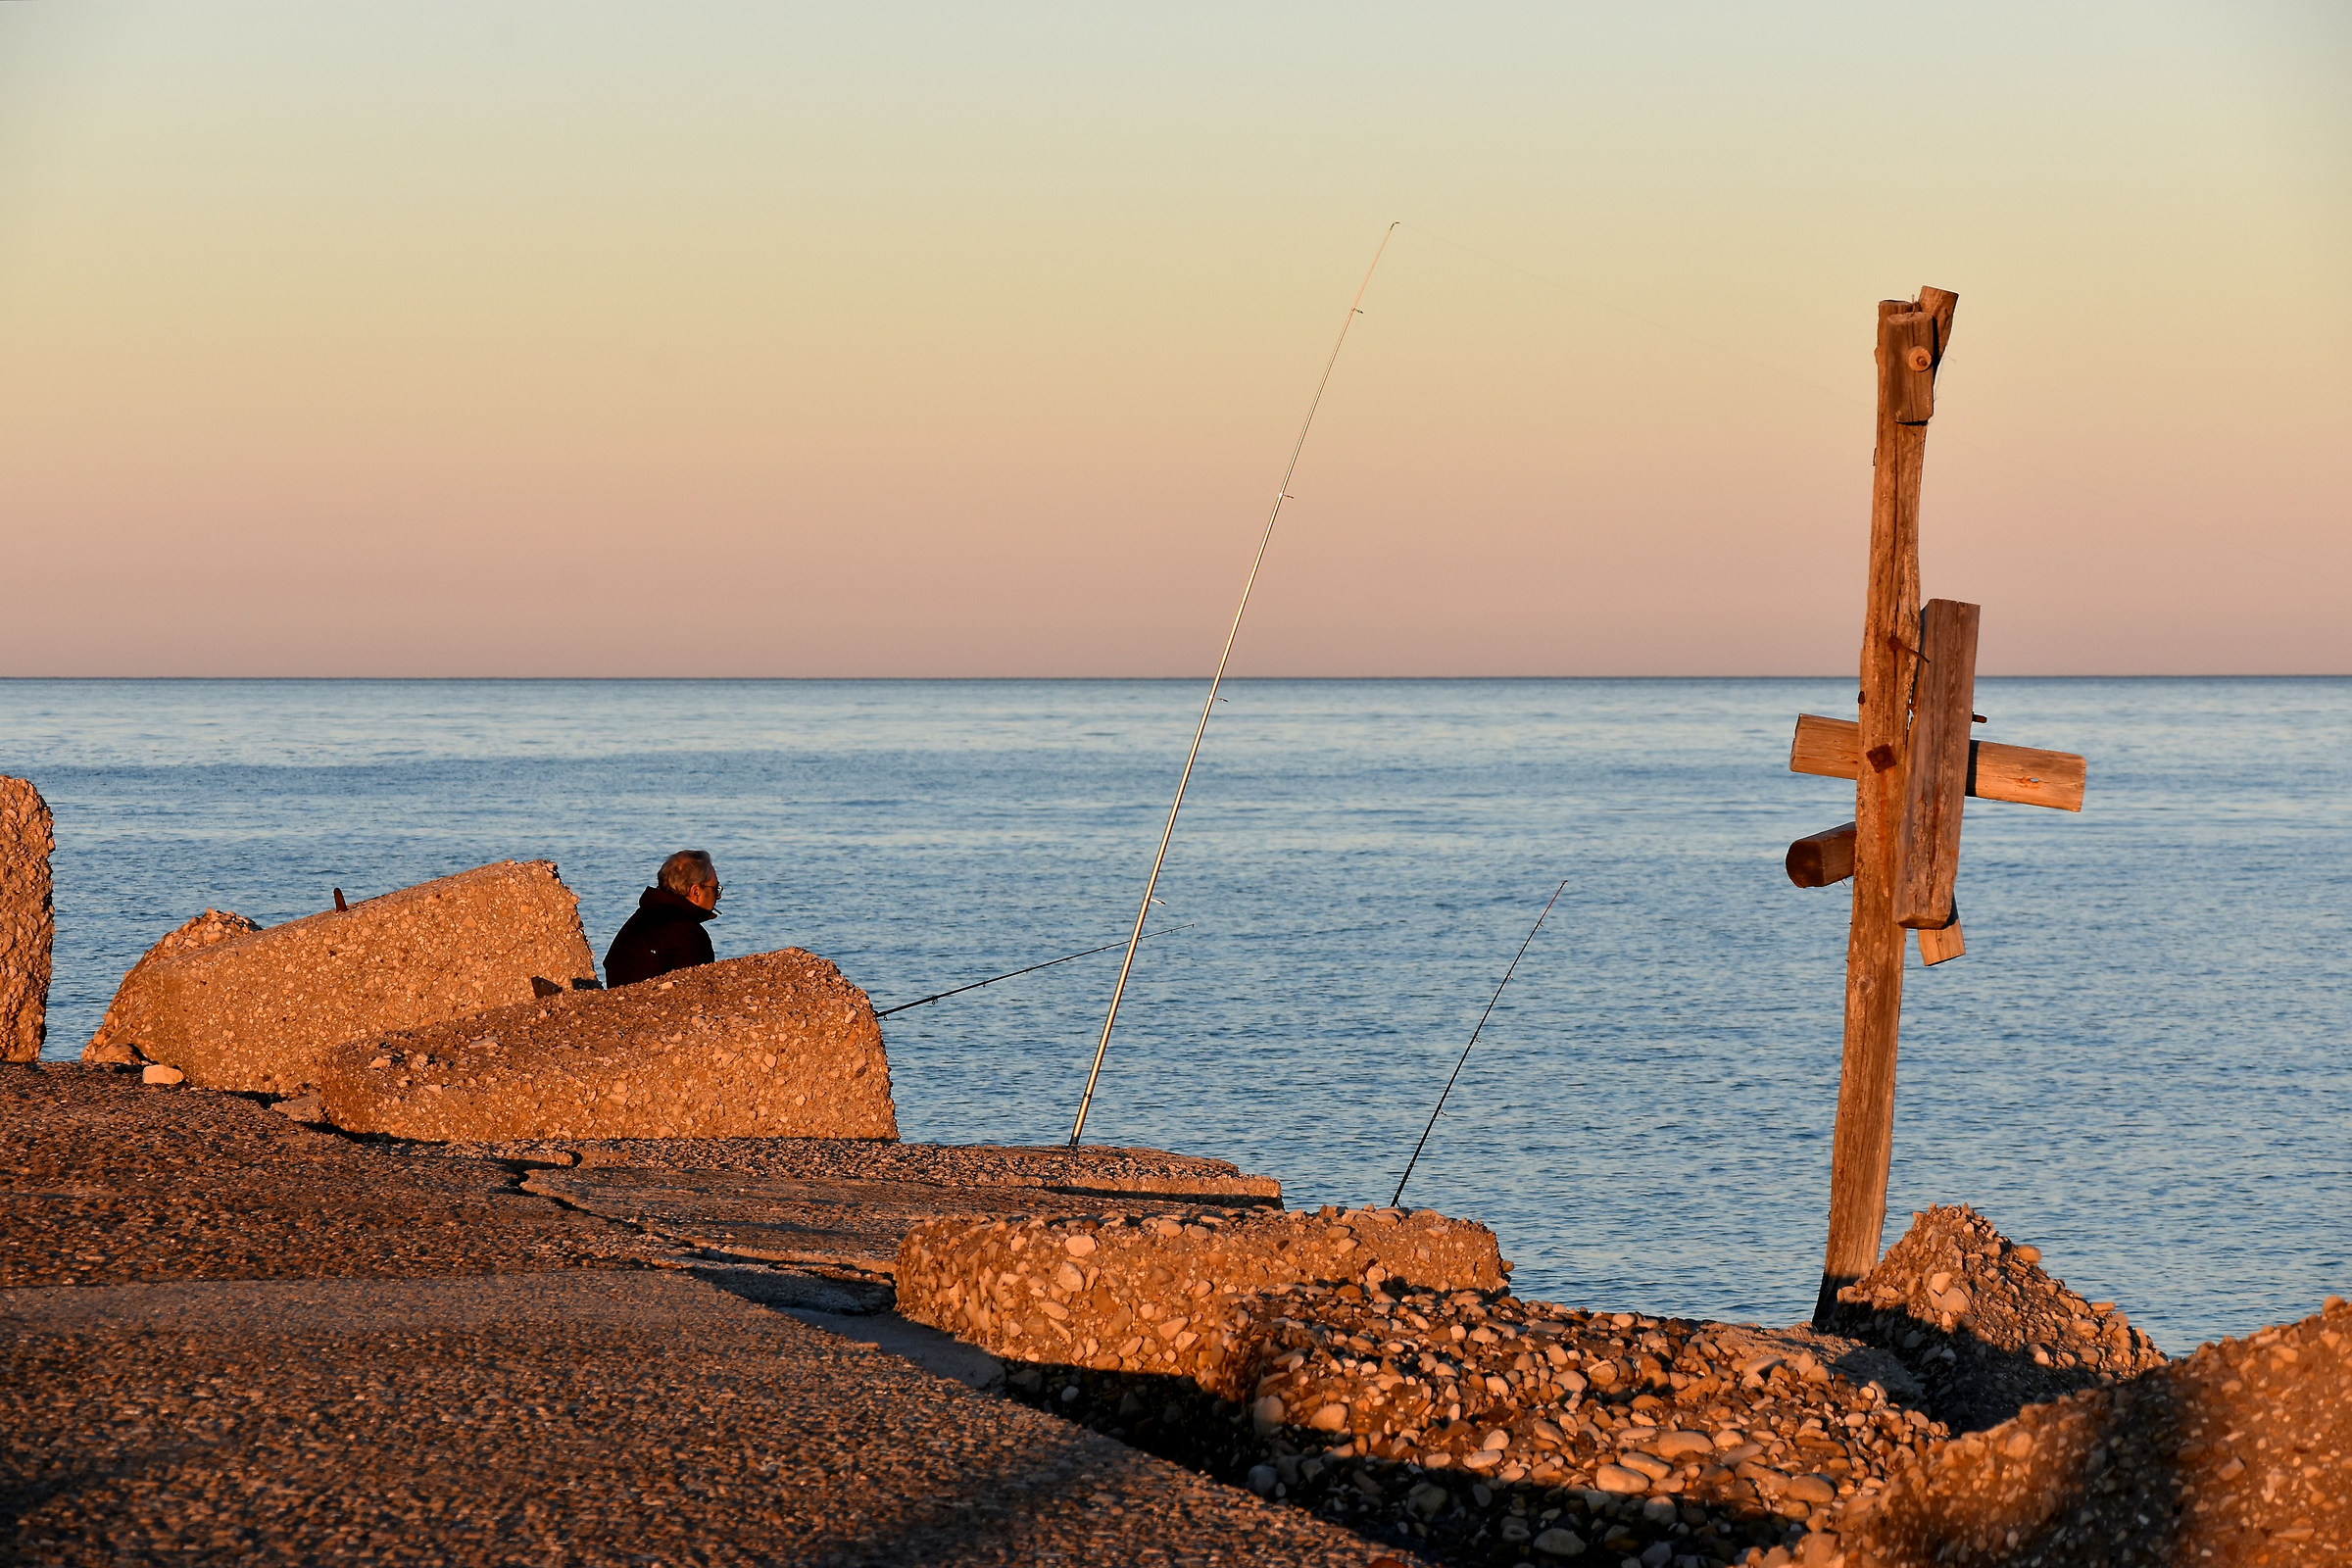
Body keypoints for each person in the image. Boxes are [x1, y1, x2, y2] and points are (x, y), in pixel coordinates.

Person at [604, 850, 721, 988]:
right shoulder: (686, 933)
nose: (718, 896)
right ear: (695, 892)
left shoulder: (638, 920)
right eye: (715, 889)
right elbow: (699, 989)